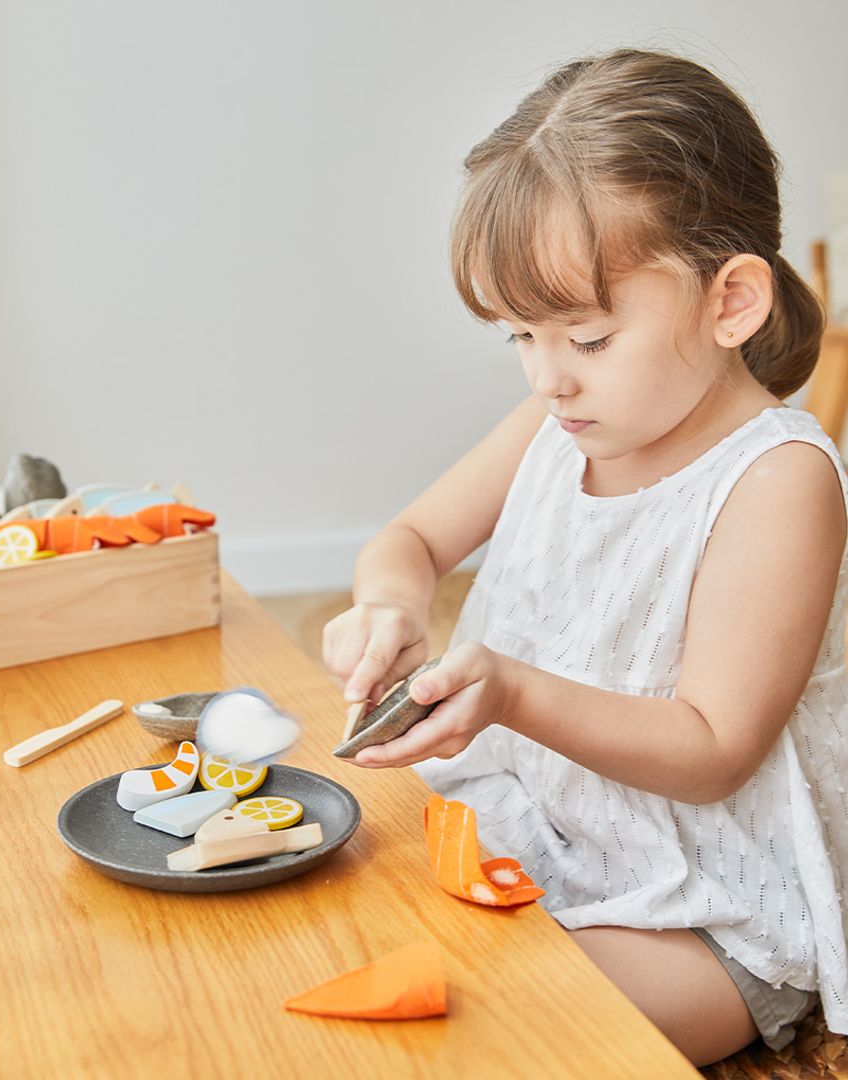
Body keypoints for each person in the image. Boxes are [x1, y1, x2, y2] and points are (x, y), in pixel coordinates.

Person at [322, 48, 848, 1066]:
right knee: (340, 928)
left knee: (508, 1029)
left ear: (730, 302)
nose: (549, 378)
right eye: (521, 337)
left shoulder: (780, 479)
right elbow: (413, 540)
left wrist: (514, 693)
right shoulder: (557, 419)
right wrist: (391, 603)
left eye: (588, 339)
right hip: (536, 822)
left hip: (709, 902)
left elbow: (711, 750)